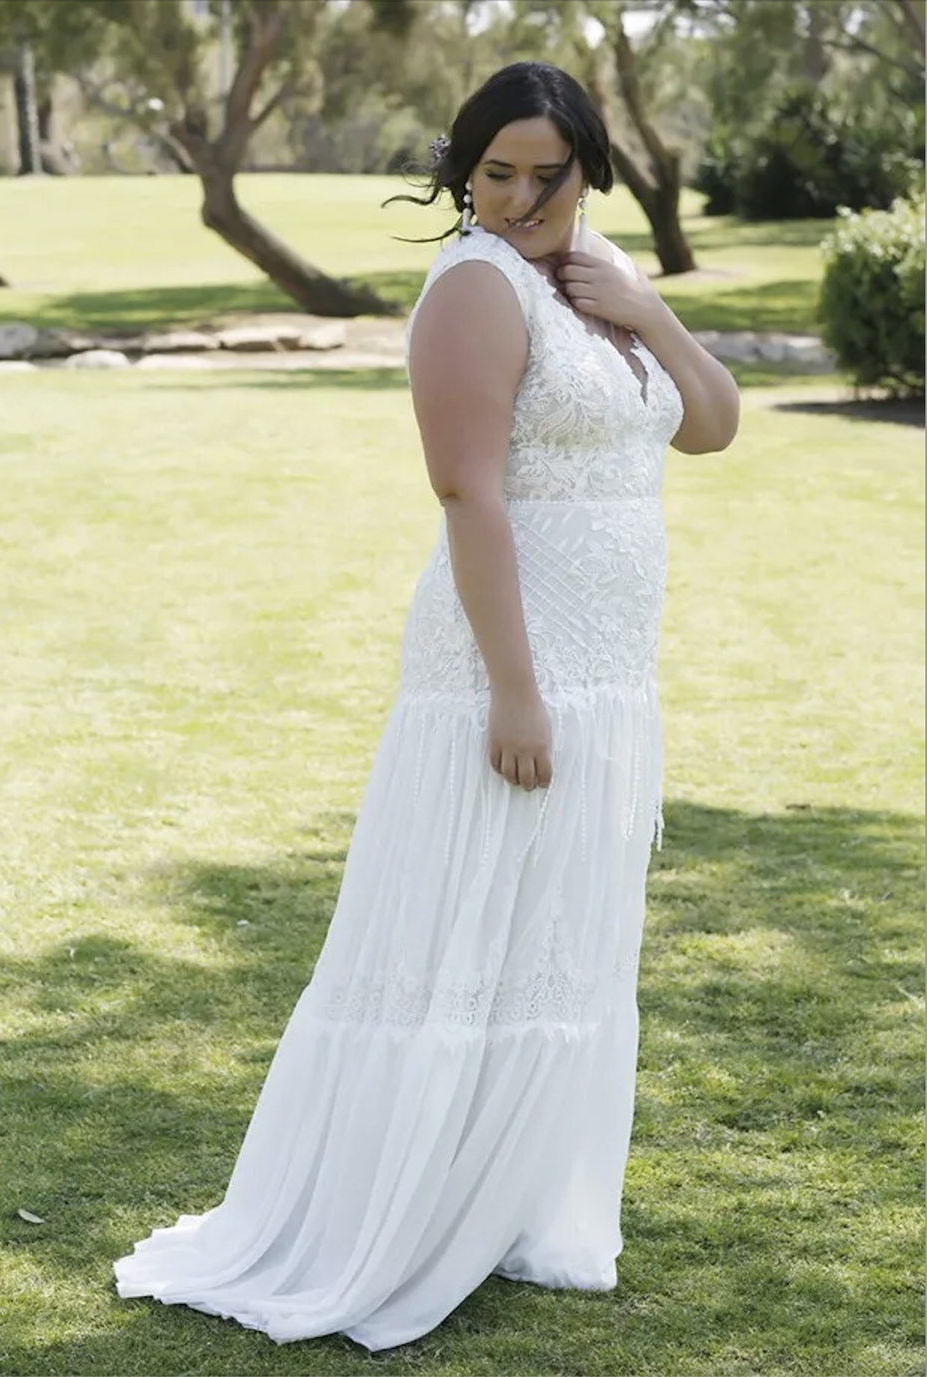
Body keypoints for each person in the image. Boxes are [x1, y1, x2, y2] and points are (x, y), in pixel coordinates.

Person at [113, 60, 740, 1352]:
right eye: (493, 173)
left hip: (611, 675)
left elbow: (714, 424)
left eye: (545, 175)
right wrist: (513, 686)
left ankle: (499, 1201)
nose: (517, 198)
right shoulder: (474, 288)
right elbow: (470, 496)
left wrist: (648, 311)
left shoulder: (601, 273)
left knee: (551, 946)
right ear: (464, 173)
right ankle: (395, 1216)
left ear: (590, 169)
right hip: (509, 670)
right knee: (460, 944)